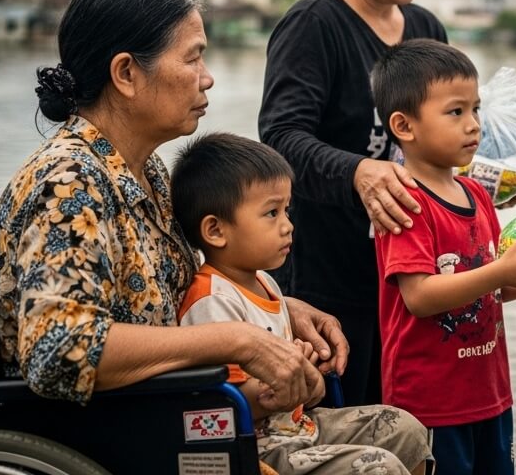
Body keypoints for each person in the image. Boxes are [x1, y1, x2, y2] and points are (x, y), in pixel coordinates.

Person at [0, 0, 427, 474]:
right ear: (127, 73)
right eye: (192, 57)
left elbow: (182, 289)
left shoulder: (141, 169)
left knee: (403, 431)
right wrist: (238, 340)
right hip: (123, 428)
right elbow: (60, 350)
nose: (207, 76)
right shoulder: (69, 185)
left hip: (180, 409)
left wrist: (278, 308)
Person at [259, 0, 448, 406]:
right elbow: (279, 136)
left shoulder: (426, 29)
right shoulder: (315, 25)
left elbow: (439, 133)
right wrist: (356, 171)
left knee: (411, 429)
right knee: (341, 425)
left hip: (412, 278)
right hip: (328, 277)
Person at [173, 132, 431, 474]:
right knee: (376, 468)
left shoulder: (266, 283)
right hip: (258, 445)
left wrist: (308, 380)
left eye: (287, 210)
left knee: (406, 429)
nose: (288, 225)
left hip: (298, 427)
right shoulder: (212, 302)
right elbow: (218, 406)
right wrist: (286, 383)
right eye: (271, 213)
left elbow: (304, 395)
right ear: (216, 231)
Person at [369, 39, 516, 474]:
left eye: (476, 109)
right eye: (455, 112)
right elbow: (419, 296)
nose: (474, 124)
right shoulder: (404, 200)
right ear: (404, 126)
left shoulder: (476, 194)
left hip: (490, 393)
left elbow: (491, 286)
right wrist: (502, 271)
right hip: (431, 404)